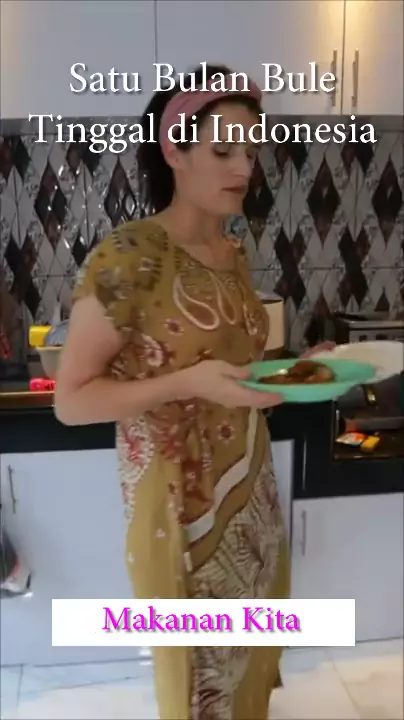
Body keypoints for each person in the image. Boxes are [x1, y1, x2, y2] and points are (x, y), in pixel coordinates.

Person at [55, 64, 328, 720]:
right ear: (174, 151)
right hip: (181, 510)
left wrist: (299, 371)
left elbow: (235, 375)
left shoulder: (232, 252)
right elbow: (72, 400)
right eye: (223, 150)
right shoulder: (129, 255)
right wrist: (184, 383)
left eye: (250, 151)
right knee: (199, 685)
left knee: (245, 669)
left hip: (250, 496)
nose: (244, 167)